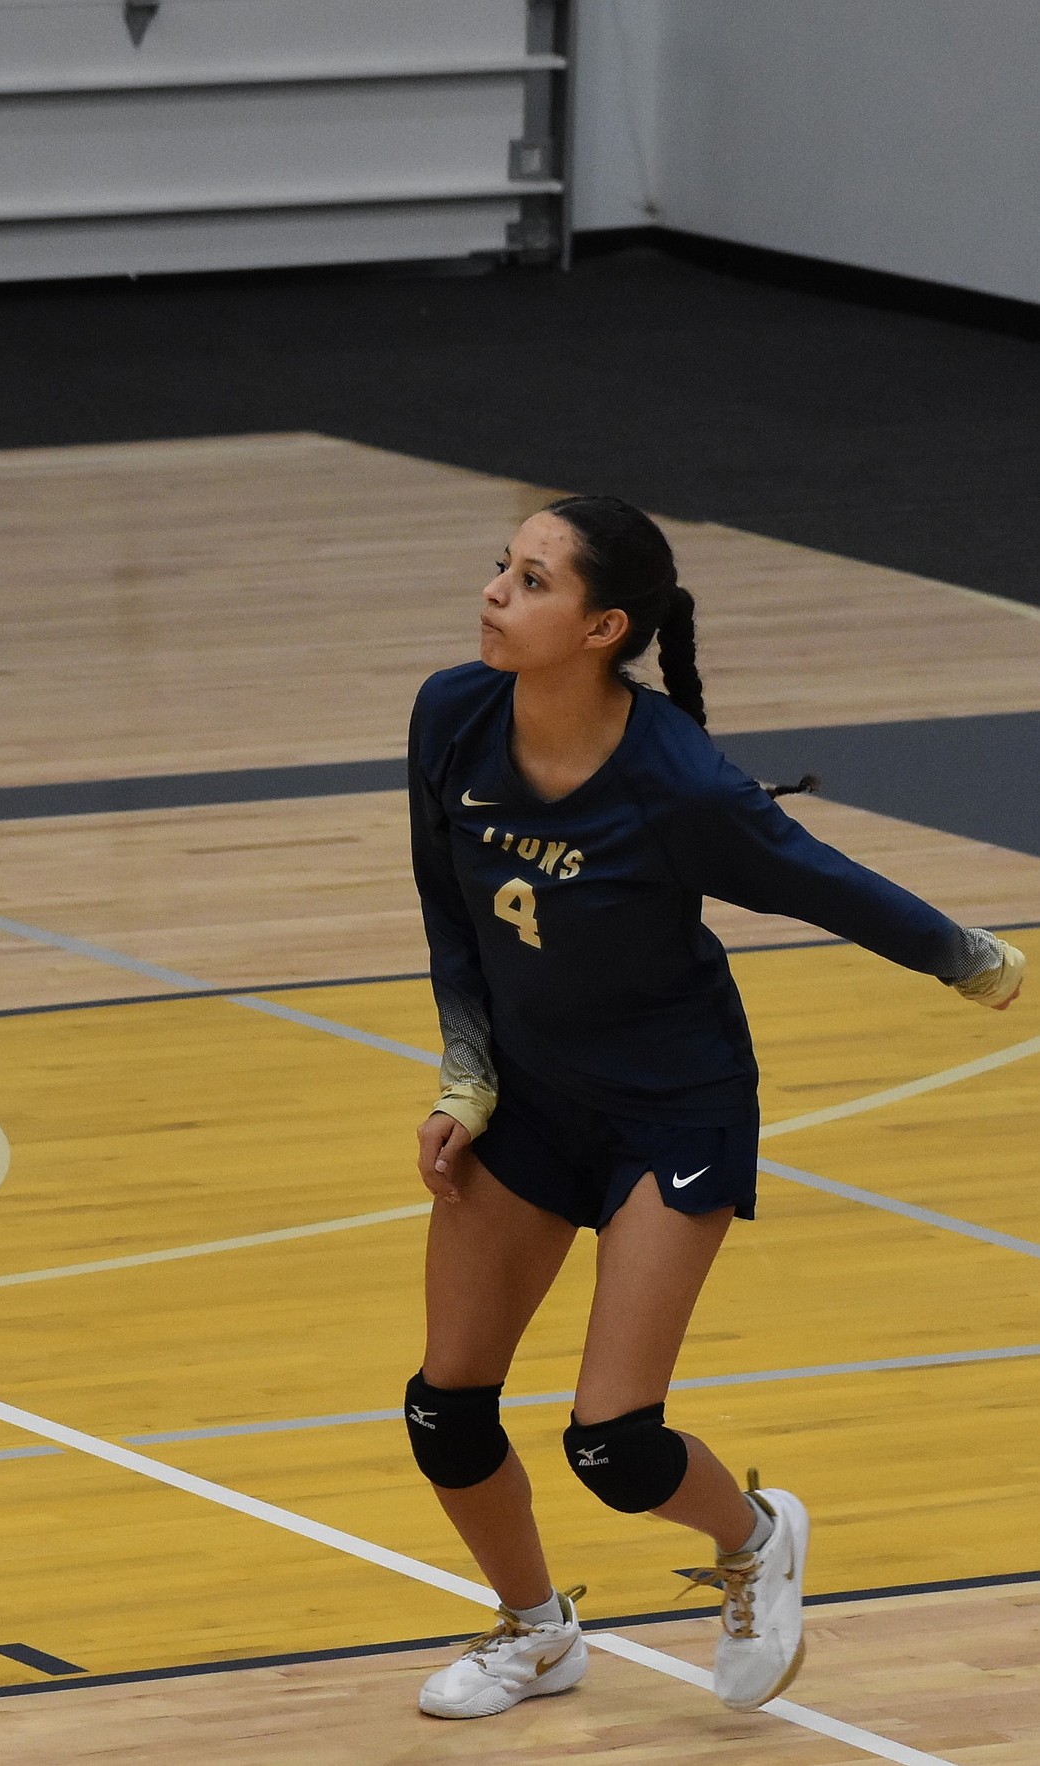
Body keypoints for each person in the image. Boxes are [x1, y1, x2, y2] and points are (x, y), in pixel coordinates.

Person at [403, 495, 1025, 1723]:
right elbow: (447, 906)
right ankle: (535, 1630)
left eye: (532, 581)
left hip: (668, 1111)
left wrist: (969, 955)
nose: (495, 593)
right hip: (528, 1097)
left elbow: (816, 879)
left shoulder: (676, 780)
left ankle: (753, 1538)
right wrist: (466, 1073)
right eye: (501, 567)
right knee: (445, 1408)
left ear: (604, 627)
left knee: (612, 1442)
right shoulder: (452, 713)